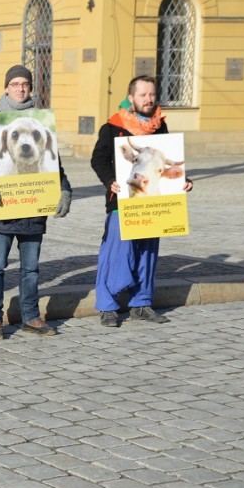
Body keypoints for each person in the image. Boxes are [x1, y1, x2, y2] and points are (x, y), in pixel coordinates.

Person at [0, 65, 72, 340]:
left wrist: (64, 189)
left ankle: (31, 317)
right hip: (2, 207)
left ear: (30, 88)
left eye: (25, 84)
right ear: (6, 87)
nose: (20, 88)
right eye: (15, 84)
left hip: (34, 208)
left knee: (31, 268)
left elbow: (53, 164)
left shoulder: (42, 121)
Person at [91, 75, 193, 327]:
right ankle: (107, 306)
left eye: (151, 95)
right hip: (121, 201)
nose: (148, 99)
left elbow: (165, 161)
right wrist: (109, 181)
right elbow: (98, 160)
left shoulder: (160, 127)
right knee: (116, 252)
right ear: (131, 98)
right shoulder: (112, 127)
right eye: (143, 95)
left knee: (147, 252)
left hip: (154, 204)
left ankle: (141, 303)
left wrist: (184, 181)